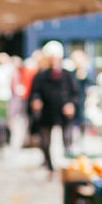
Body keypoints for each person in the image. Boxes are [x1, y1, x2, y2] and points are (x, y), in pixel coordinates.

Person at [29, 41, 81, 173]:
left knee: (67, 140)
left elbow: (75, 93)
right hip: (47, 113)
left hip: (63, 113)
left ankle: (67, 164)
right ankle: (49, 164)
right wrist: (36, 101)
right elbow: (35, 92)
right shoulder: (40, 76)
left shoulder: (68, 75)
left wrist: (71, 104)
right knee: (45, 141)